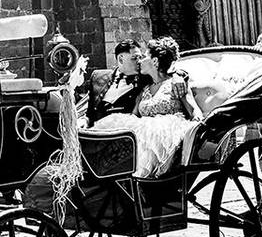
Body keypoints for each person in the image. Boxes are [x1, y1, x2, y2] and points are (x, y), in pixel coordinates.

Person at [94, 37, 204, 178]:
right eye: (136, 58)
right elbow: (133, 116)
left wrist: (196, 127)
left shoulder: (176, 84)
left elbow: (194, 111)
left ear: (155, 61)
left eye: (144, 56)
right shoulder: (144, 88)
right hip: (141, 137)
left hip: (165, 136)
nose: (140, 61)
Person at [87, 39, 187, 124]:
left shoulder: (145, 78)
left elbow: (164, 70)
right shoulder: (99, 77)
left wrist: (177, 76)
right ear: (121, 60)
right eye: (135, 58)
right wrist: (83, 121)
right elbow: (89, 112)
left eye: (140, 57)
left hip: (125, 134)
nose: (139, 61)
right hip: (97, 134)